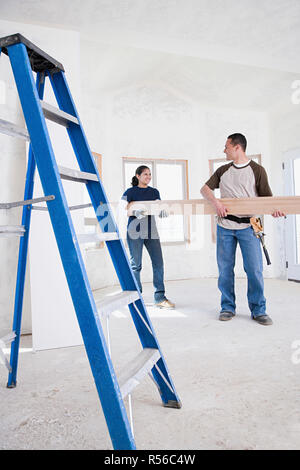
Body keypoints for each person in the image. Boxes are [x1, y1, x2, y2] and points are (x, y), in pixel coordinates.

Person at [200, 133, 284, 326]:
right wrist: (216, 202)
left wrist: (275, 210)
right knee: (225, 269)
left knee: (254, 269)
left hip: (250, 226)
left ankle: (259, 310)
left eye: (226, 146)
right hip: (225, 227)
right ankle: (227, 307)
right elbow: (204, 189)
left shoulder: (257, 170)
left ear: (237, 147)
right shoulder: (222, 170)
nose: (224, 150)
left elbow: (267, 200)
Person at [122, 165, 175, 309]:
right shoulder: (130, 192)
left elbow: (158, 206)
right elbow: (123, 209)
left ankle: (160, 297)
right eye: (145, 174)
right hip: (135, 231)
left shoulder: (154, 192)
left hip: (151, 231)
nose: (148, 177)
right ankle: (136, 297)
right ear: (138, 176)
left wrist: (163, 211)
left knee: (158, 263)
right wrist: (134, 212)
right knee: (136, 265)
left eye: (150, 174)